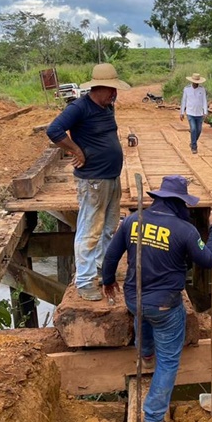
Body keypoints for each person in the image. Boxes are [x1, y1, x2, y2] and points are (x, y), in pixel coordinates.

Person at [100, 176, 212, 422]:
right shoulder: (185, 230)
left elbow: (111, 255)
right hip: (165, 305)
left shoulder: (133, 220)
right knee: (168, 362)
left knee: (142, 316)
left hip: (135, 297)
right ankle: (153, 421)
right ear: (178, 203)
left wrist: (107, 280)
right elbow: (208, 259)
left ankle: (144, 353)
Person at [47, 63, 130, 301]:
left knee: (108, 228)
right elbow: (54, 130)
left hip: (111, 178)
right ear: (98, 88)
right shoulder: (79, 107)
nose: (114, 94)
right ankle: (84, 280)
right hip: (93, 180)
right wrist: (76, 151)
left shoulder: (107, 108)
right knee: (90, 231)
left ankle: (103, 269)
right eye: (111, 90)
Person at [180, 72, 208, 154]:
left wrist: (205, 111)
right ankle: (194, 147)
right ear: (192, 81)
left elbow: (204, 101)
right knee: (193, 129)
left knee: (199, 130)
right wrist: (182, 112)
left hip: (199, 113)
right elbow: (184, 101)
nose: (196, 83)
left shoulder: (202, 90)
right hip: (190, 112)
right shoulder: (187, 89)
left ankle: (192, 142)